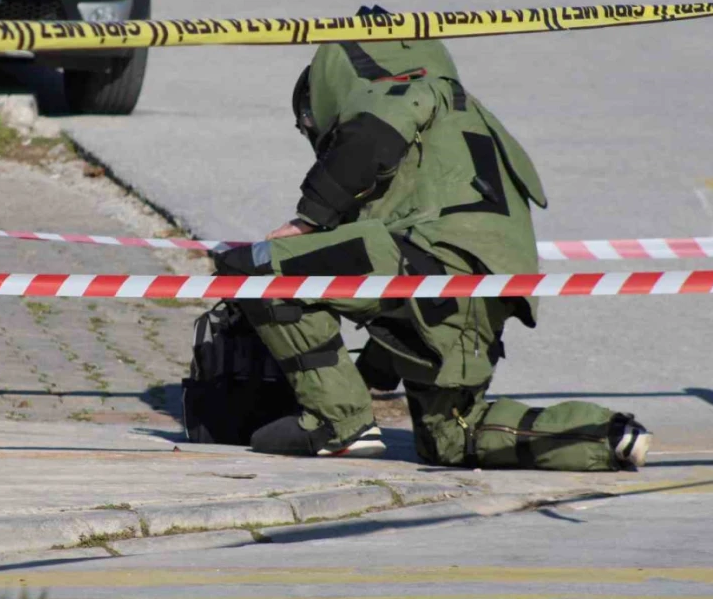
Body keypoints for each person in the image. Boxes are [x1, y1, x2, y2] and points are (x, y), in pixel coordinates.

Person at [214, 32, 651, 470]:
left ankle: (336, 423)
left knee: (256, 268)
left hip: (432, 263)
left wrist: (307, 219)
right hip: (484, 289)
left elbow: (368, 142)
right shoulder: (468, 115)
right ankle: (607, 435)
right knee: (452, 436)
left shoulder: (403, 90)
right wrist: (373, 371)